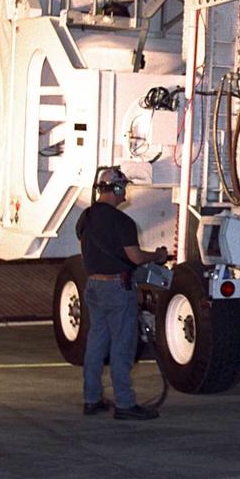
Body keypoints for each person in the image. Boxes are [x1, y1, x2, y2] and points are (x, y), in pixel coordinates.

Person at [77, 167, 159, 420]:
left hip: (93, 286)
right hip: (117, 288)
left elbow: (86, 247)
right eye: (123, 188)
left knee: (96, 344)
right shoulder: (123, 222)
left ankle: (91, 399)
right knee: (122, 346)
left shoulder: (86, 218)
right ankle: (124, 404)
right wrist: (157, 256)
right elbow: (134, 256)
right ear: (115, 189)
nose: (125, 194)